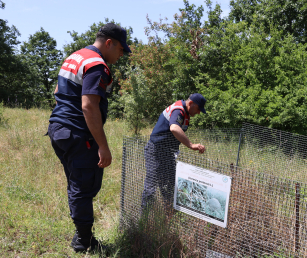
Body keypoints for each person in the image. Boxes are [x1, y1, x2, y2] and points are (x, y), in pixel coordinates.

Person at [47, 23, 131, 253]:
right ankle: (84, 243)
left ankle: (81, 235)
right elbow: (89, 106)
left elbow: (57, 91)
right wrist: (103, 146)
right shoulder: (97, 65)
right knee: (83, 186)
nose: (122, 54)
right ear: (109, 43)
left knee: (78, 183)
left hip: (59, 129)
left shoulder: (74, 57)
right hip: (77, 133)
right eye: (121, 49)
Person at [141, 93, 207, 213]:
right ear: (191, 103)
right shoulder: (179, 110)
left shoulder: (185, 114)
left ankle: (169, 217)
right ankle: (143, 219)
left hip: (168, 154)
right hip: (155, 151)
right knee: (151, 188)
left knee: (170, 187)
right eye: (198, 109)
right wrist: (191, 145)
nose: (198, 113)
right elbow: (174, 128)